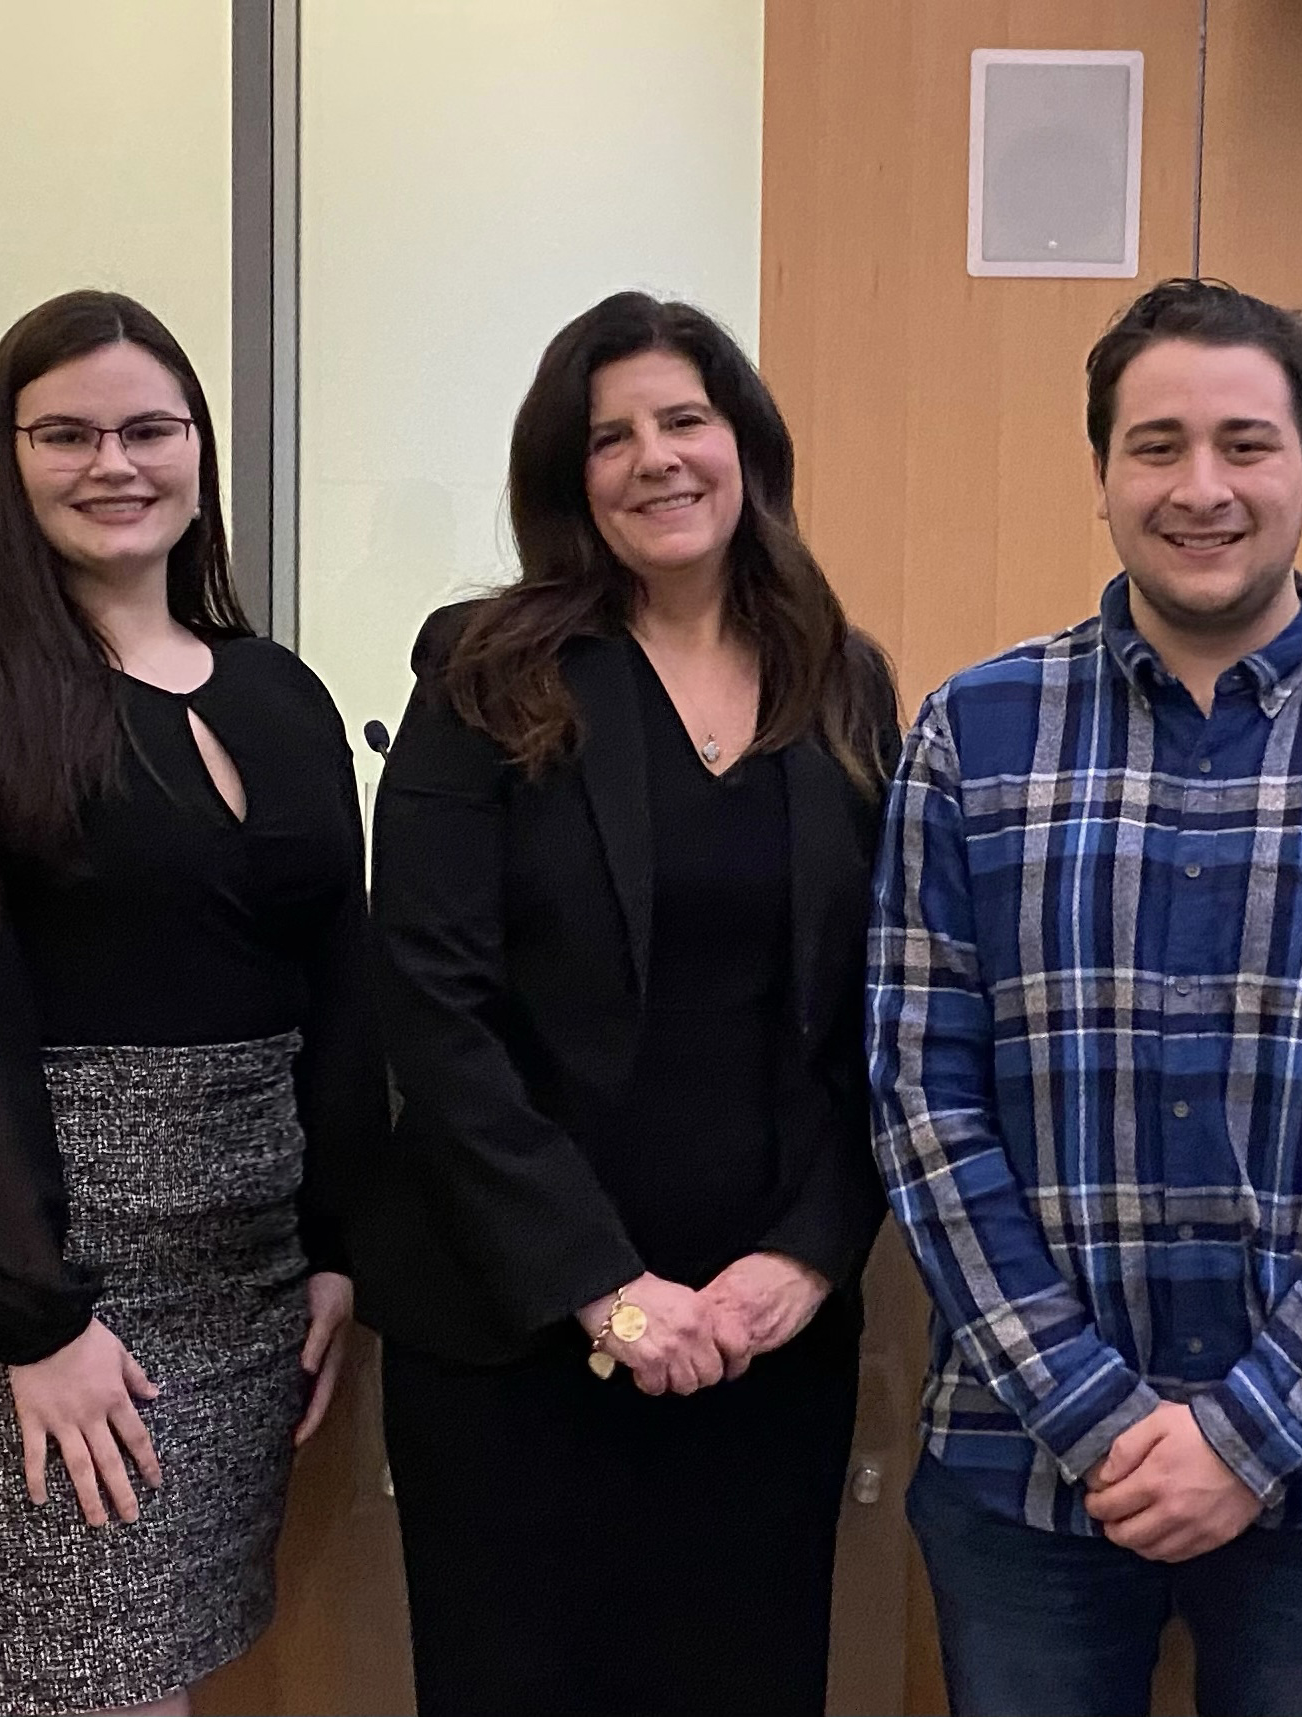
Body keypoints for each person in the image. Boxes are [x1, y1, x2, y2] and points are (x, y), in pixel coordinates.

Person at [869, 276, 1302, 1717]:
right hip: (1022, 1466)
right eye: (1156, 445)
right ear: (1102, 471)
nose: (1201, 487)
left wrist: (1250, 1429)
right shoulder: (970, 736)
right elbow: (926, 1098)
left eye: (1246, 443)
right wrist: (1095, 1412)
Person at [351, 290, 899, 1717]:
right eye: (612, 437)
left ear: (746, 445)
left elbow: (877, 1010)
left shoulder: (841, 679)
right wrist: (606, 1289)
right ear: (568, 476)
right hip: (521, 1329)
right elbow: (433, 1009)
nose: (657, 458)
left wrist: (813, 1254)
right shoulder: (483, 671)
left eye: (686, 420)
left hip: (763, 1332)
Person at [0, 289, 378, 1717]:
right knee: (65, 1689)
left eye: (148, 428)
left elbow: (339, 978)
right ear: (5, 462)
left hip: (247, 1279)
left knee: (175, 1679)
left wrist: (336, 1245)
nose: (113, 463)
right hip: (27, 1293)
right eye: (65, 433)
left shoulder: (282, 693)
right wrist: (37, 1318)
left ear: (199, 449)